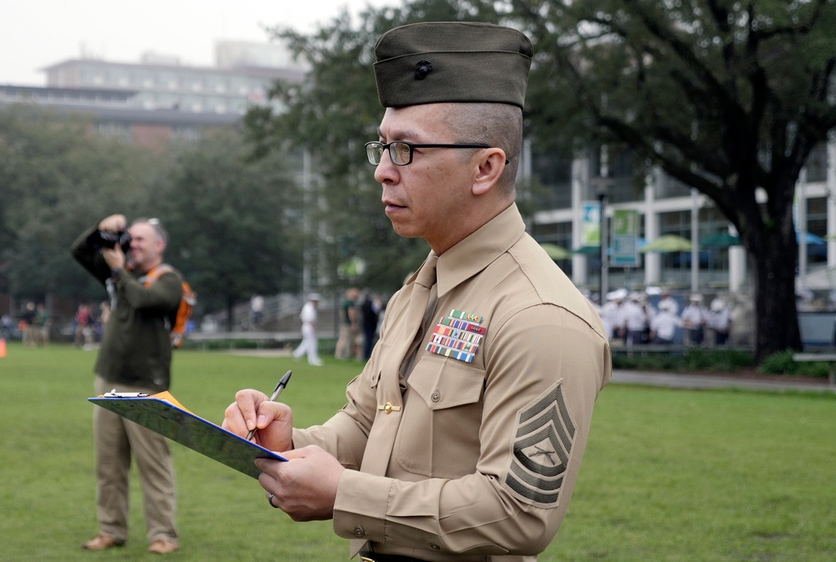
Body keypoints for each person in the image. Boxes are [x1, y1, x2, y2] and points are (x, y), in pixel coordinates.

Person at [223, 22, 611, 562]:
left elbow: (519, 514)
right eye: (382, 148)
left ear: (485, 168)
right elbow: (367, 423)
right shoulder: (421, 288)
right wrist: (289, 446)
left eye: (406, 150)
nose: (383, 171)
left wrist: (344, 494)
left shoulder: (539, 316)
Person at [71, 214, 184, 555]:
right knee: (108, 463)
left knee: (154, 463)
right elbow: (79, 251)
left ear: (159, 245)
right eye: (128, 239)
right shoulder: (122, 275)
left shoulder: (168, 279)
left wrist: (119, 270)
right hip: (109, 379)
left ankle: (164, 535)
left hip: (146, 385)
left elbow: (143, 301)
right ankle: (110, 529)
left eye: (139, 240)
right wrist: (101, 230)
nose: (131, 245)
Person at [291, 293, 323, 367]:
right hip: (309, 326)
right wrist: (313, 329)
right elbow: (310, 320)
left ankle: (297, 353)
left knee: (307, 342)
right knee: (312, 343)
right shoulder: (309, 307)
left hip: (306, 326)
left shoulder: (308, 306)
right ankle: (312, 360)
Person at [335, 287, 361, 360]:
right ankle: (343, 355)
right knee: (346, 339)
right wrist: (354, 323)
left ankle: (338, 354)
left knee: (342, 339)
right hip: (348, 324)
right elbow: (351, 313)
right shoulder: (350, 303)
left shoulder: (344, 302)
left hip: (344, 323)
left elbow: (341, 313)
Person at [359, 290, 380, 360]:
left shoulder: (363, 304)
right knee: (369, 340)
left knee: (367, 340)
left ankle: (365, 354)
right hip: (371, 324)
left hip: (365, 324)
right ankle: (367, 355)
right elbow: (377, 311)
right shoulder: (372, 304)